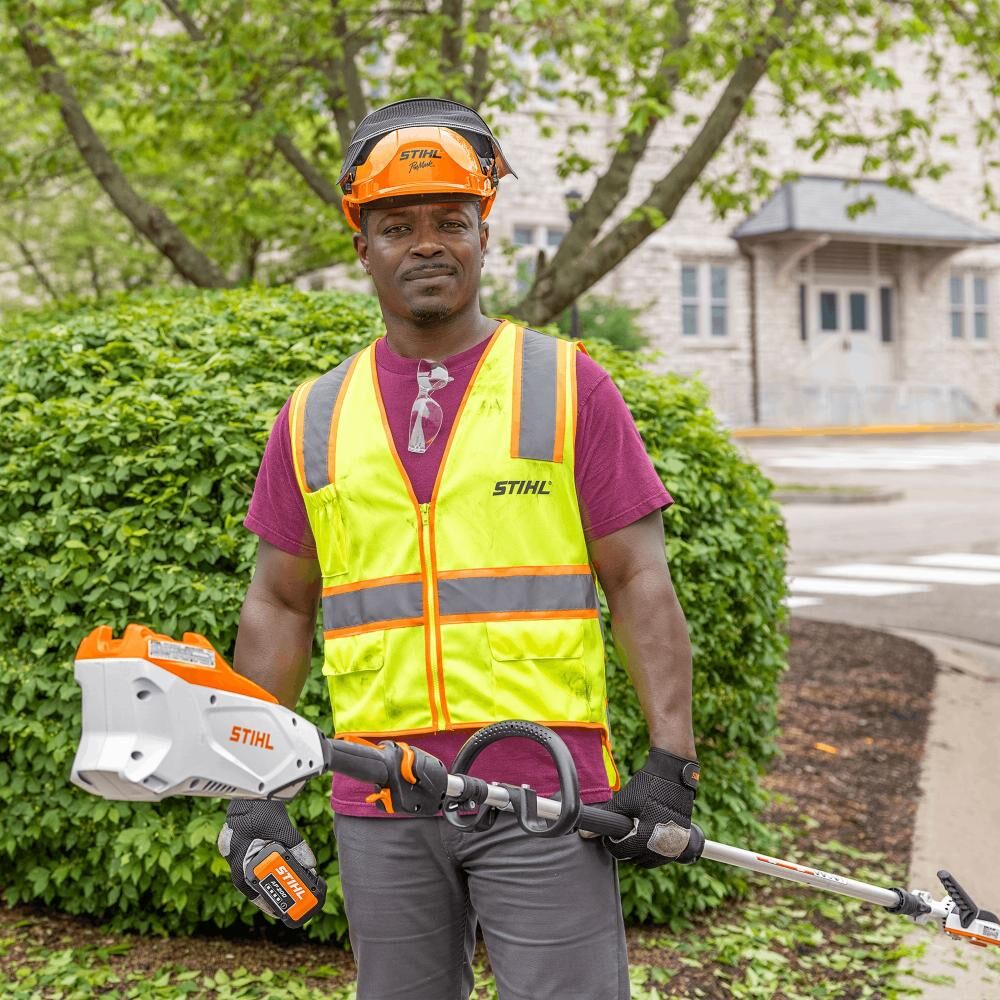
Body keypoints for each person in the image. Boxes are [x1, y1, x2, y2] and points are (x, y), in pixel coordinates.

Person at [217, 98, 699, 1000]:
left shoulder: (565, 385)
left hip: (543, 793)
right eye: (397, 225)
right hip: (380, 795)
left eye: (450, 221)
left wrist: (671, 760)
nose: (425, 243)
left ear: (484, 236)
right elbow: (277, 603)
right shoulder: (312, 416)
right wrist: (255, 792)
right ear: (363, 248)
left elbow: (639, 578)